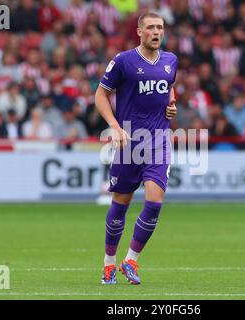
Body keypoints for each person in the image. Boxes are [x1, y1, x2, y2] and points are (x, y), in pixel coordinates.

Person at [95, 12, 177, 285]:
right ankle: (108, 263)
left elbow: (169, 88)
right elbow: (100, 94)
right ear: (140, 32)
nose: (157, 32)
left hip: (158, 142)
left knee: (154, 203)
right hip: (130, 143)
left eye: (160, 28)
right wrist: (114, 126)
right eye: (151, 27)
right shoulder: (123, 61)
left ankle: (131, 260)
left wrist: (171, 104)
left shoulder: (170, 61)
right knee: (120, 204)